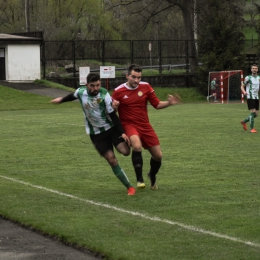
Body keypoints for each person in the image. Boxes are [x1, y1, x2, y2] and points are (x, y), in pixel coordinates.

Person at [51, 72, 136, 195]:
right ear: (86, 85)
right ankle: (129, 187)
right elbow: (72, 96)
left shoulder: (104, 94)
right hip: (96, 134)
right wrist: (61, 100)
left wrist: (122, 133)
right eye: (92, 86)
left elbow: (113, 115)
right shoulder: (81, 92)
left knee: (126, 152)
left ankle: (117, 144)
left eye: (97, 85)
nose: (95, 88)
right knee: (111, 159)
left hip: (111, 129)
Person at [112, 64, 181, 190]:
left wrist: (169, 103)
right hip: (129, 125)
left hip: (145, 125)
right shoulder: (118, 91)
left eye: (139, 77)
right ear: (127, 76)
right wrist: (114, 107)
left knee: (158, 156)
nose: (136, 80)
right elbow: (112, 113)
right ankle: (139, 179)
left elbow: (156, 104)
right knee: (137, 146)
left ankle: (152, 175)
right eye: (133, 77)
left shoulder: (146, 87)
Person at [240, 64, 260, 133]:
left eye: (256, 68)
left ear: (257, 70)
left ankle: (244, 121)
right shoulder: (248, 77)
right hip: (250, 97)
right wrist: (244, 92)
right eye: (253, 68)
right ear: (251, 70)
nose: (254, 69)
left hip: (256, 97)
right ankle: (252, 129)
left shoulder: (259, 78)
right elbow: (242, 86)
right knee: (253, 112)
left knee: (256, 114)